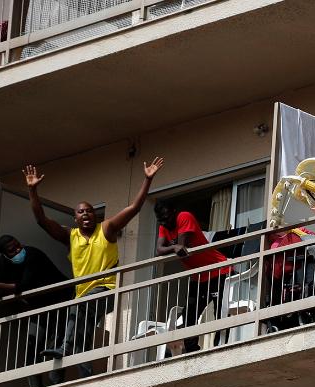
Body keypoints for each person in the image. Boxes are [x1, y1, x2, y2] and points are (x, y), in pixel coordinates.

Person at [23, 157, 164, 375]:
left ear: (94, 215)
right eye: (81, 212)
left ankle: (64, 347)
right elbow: (42, 221)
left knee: (76, 308)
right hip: (84, 293)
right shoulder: (70, 236)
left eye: (89, 211)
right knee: (83, 330)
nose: (86, 214)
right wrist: (33, 191)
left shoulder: (106, 229)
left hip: (106, 289)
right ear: (75, 218)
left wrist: (147, 179)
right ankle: (84, 371)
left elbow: (134, 208)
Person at [0, 235, 72, 387]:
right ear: (4, 254)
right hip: (39, 309)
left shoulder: (32, 254)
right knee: (31, 347)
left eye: (18, 245)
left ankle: (56, 383)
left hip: (61, 301)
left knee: (56, 345)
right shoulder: (1, 264)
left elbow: (24, 286)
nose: (18, 250)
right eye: (12, 250)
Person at [154, 203, 232, 353]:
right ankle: (191, 351)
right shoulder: (164, 226)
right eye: (161, 220)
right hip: (198, 276)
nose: (165, 222)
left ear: (174, 212)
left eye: (167, 218)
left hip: (218, 270)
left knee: (220, 313)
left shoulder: (184, 217)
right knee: (190, 314)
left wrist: (174, 247)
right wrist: (173, 247)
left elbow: (181, 247)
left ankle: (221, 349)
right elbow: (159, 250)